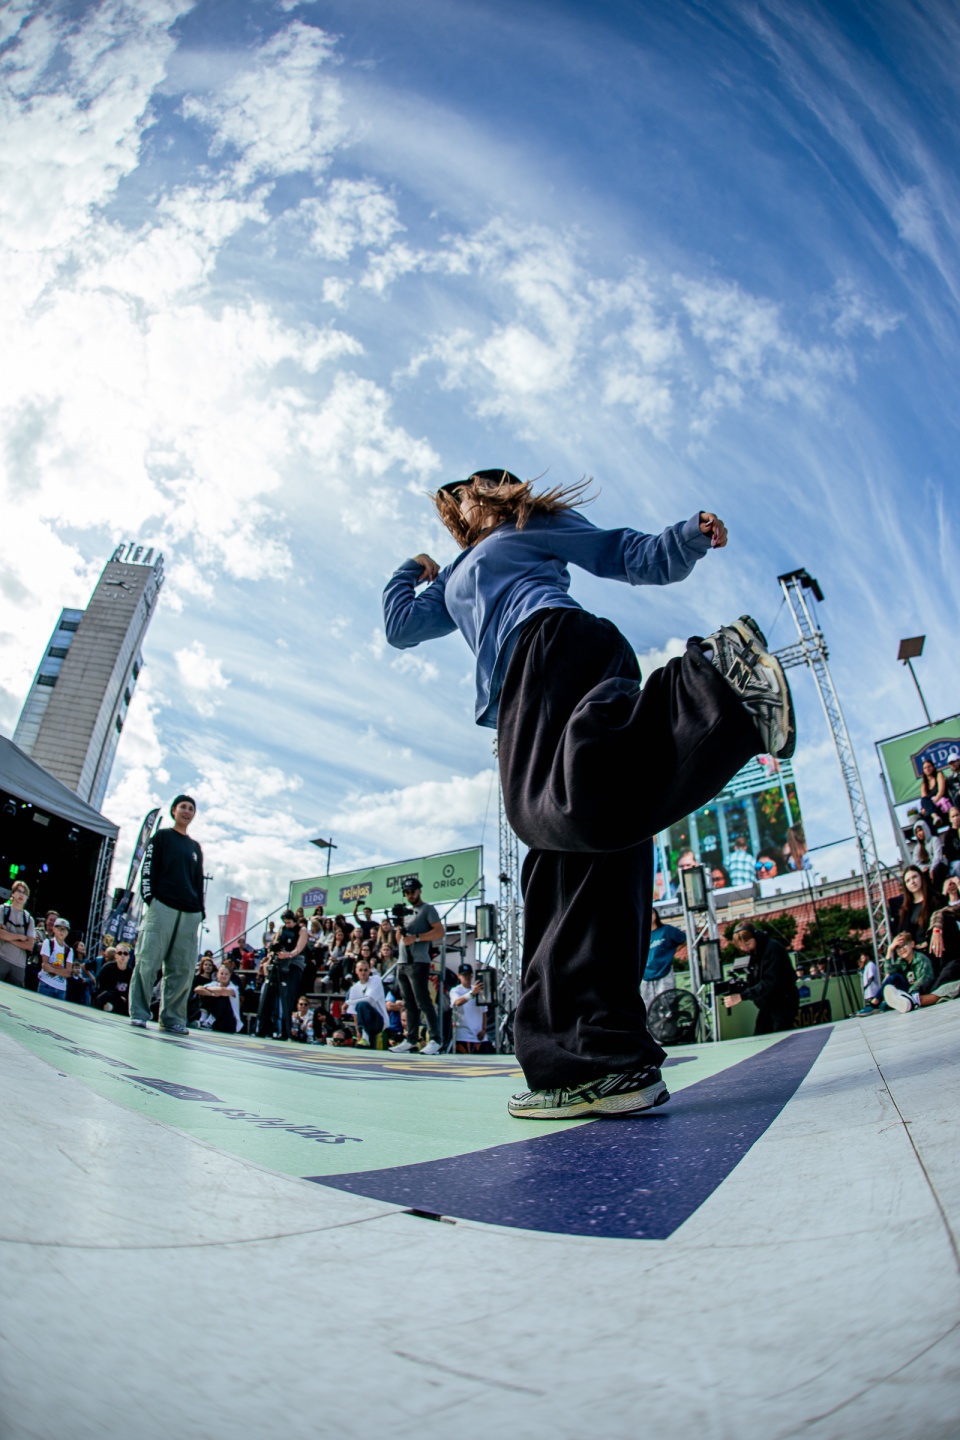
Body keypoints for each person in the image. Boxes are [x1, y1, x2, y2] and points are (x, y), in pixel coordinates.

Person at [384, 469, 793, 1117]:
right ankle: (600, 1059)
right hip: (544, 672)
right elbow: (401, 625)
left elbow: (623, 551)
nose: (463, 497)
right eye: (455, 496)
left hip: (551, 648)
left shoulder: (528, 525)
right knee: (582, 853)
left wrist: (686, 538)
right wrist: (412, 568)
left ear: (493, 492)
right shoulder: (455, 573)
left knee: (551, 810)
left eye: (471, 488)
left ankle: (716, 689)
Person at [128, 795, 205, 1035]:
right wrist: (150, 898)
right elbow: (148, 867)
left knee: (182, 969)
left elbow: (198, 880)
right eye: (183, 807)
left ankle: (172, 1018)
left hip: (189, 912)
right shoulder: (161, 837)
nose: (187, 811)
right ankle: (139, 1013)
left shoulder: (195, 847)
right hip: (162, 906)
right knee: (148, 961)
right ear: (174, 811)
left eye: (191, 808)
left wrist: (200, 911)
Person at [390, 877, 444, 1055]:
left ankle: (435, 1039)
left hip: (419, 960)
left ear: (419, 890)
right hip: (403, 961)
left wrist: (417, 938)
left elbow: (440, 931)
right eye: (406, 892)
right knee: (408, 1003)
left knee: (423, 1001)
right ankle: (411, 1039)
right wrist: (399, 927)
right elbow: (399, 940)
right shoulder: (405, 912)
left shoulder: (427, 909)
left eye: (412, 891)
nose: (409, 895)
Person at [723, 923, 799, 1034]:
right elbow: (756, 981)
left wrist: (742, 996)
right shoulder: (755, 953)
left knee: (782, 1034)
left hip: (783, 999)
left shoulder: (772, 949)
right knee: (761, 1035)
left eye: (747, 944)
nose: (745, 948)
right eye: (741, 947)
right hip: (769, 1003)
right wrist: (741, 987)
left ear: (754, 936)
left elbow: (769, 982)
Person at [256, 909, 306, 1040]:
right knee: (269, 994)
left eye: (289, 922)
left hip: (294, 963)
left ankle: (285, 1031)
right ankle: (263, 1028)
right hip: (279, 961)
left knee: (287, 996)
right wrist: (272, 954)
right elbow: (275, 944)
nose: (287, 925)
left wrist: (288, 955)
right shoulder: (281, 929)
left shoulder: (302, 930)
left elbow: (299, 948)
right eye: (285, 922)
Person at [641, 909, 685, 1011]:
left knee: (667, 1004)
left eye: (652, 913)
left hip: (664, 972)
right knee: (649, 1007)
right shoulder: (643, 935)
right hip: (647, 975)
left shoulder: (666, 930)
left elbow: (683, 939)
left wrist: (672, 952)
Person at [344, 957, 390, 1046]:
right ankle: (364, 1036)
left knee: (362, 1004)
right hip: (365, 1024)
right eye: (360, 970)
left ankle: (365, 1037)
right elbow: (354, 1013)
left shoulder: (376, 980)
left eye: (365, 970)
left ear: (369, 971)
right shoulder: (354, 988)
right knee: (359, 1006)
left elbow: (369, 999)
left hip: (379, 1021)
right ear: (356, 971)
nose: (363, 972)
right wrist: (358, 1032)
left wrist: (349, 1002)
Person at [0, 879, 35, 987]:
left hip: (19, 965)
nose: (21, 895)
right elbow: (1, 934)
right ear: (13, 893)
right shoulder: (3, 909)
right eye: (19, 891)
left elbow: (29, 945)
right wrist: (20, 937)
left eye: (24, 893)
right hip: (2, 957)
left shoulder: (29, 919)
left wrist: (8, 937)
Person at [450, 963, 487, 1052]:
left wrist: (484, 1029)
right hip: (464, 1036)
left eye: (469, 975)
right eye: (464, 975)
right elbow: (457, 1002)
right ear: (458, 976)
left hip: (480, 1037)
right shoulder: (455, 990)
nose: (467, 977)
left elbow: (484, 1012)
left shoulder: (478, 990)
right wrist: (472, 994)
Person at [194, 963, 242, 1033]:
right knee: (207, 993)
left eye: (226, 974)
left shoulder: (234, 988)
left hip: (228, 1022)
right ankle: (203, 1019)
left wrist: (208, 989)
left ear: (229, 975)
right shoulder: (213, 984)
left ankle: (209, 1022)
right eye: (221, 973)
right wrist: (211, 993)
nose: (224, 976)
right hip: (216, 1020)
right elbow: (197, 989)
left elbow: (222, 991)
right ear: (217, 975)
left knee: (222, 996)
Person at [38, 917, 73, 1000]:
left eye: (65, 930)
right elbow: (45, 966)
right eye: (59, 928)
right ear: (54, 929)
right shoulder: (48, 942)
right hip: (46, 984)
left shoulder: (69, 950)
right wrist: (62, 970)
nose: (62, 932)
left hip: (61, 989)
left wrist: (52, 969)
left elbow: (68, 973)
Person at [95, 944, 135, 1013]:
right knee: (104, 996)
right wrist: (118, 996)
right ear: (116, 955)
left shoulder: (131, 972)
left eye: (125, 954)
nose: (123, 956)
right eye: (120, 953)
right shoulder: (107, 968)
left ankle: (114, 1008)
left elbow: (131, 991)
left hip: (122, 1000)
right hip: (108, 996)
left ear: (128, 957)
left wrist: (124, 998)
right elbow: (102, 988)